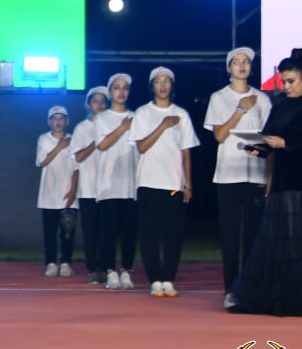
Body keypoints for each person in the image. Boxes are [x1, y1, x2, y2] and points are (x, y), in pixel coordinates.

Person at [230, 53, 302, 316]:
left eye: (291, 81)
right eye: (284, 82)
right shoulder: (280, 105)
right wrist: (260, 148)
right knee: (283, 244)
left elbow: (286, 141)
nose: (286, 86)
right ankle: (282, 296)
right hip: (283, 183)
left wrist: (287, 143)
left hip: (299, 183)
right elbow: (269, 138)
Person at [204, 47, 271, 308]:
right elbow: (220, 135)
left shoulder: (263, 99)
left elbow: (269, 139)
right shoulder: (219, 97)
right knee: (230, 236)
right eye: (236, 62)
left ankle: (251, 290)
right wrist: (241, 109)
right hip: (228, 174)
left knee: (253, 237)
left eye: (246, 62)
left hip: (255, 172)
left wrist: (270, 175)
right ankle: (231, 290)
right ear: (228, 68)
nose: (242, 65)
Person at [130, 66, 199, 298]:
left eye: (167, 81)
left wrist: (188, 184)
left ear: (172, 85)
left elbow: (186, 151)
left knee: (173, 233)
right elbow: (141, 146)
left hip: (173, 183)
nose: (162, 85)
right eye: (158, 81)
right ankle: (155, 279)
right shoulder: (142, 113)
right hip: (148, 181)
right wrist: (163, 125)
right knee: (149, 233)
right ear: (152, 86)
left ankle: (168, 278)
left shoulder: (182, 114)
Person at [94, 73, 138, 290]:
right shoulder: (102, 118)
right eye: (117, 88)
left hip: (131, 184)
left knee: (130, 231)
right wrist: (122, 127)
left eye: (125, 88)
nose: (121, 92)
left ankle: (127, 271)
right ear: (110, 92)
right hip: (108, 185)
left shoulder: (137, 117)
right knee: (108, 232)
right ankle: (110, 271)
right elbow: (102, 145)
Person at [71, 87, 109, 284]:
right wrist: (97, 142)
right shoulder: (82, 128)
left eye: (103, 101)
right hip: (88, 188)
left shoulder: (112, 126)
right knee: (91, 231)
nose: (99, 105)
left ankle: (106, 267)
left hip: (108, 189)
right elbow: (78, 156)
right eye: (95, 101)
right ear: (88, 104)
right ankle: (93, 268)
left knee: (107, 231)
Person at [35, 106, 79, 277]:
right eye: (54, 118)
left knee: (68, 231)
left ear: (67, 121)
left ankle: (66, 262)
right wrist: (60, 146)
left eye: (61, 118)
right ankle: (51, 263)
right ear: (49, 122)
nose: (58, 121)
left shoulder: (74, 140)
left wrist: (73, 191)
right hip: (48, 195)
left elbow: (76, 168)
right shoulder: (43, 139)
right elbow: (43, 162)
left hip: (67, 194)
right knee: (49, 232)